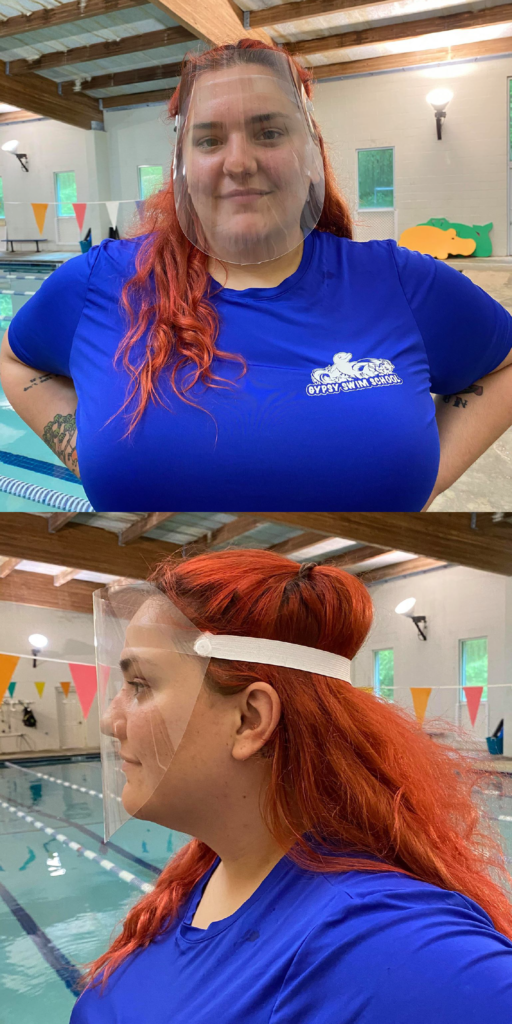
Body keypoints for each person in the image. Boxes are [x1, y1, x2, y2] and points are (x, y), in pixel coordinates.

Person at [1, 41, 512, 512]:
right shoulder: (100, 282)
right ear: (182, 167)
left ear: (311, 156)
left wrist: (430, 473)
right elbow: (14, 359)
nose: (239, 162)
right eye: (209, 140)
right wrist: (78, 443)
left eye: (268, 132)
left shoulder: (396, 280)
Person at [71, 549, 512, 1023]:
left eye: (139, 684)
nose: (110, 719)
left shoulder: (385, 941)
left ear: (249, 719)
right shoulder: (205, 875)